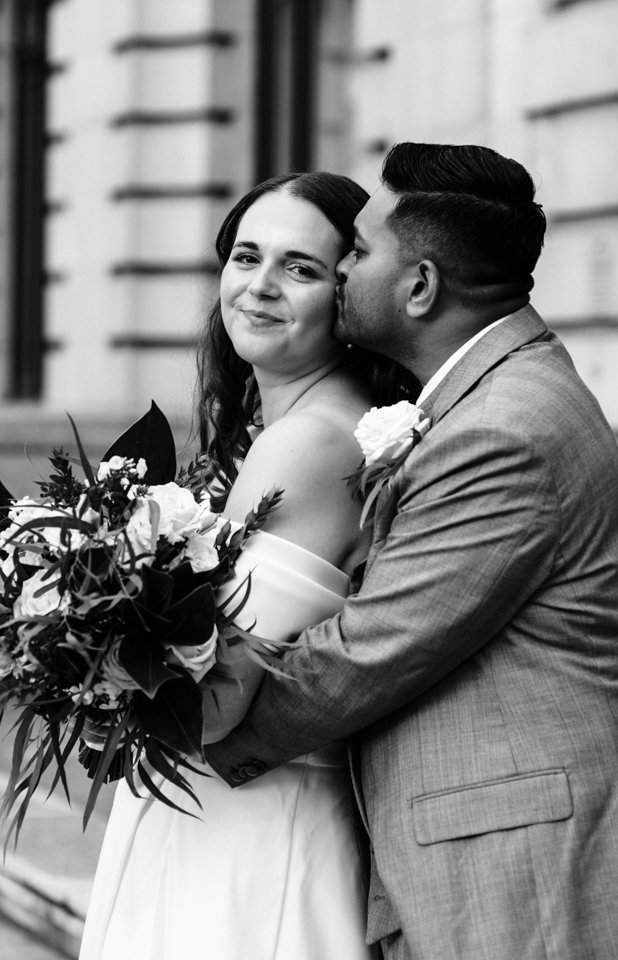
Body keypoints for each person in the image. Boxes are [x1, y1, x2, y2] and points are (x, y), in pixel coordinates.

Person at [204, 143, 618, 960]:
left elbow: (372, 647)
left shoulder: (503, 431)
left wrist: (181, 718)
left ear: (421, 286)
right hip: (480, 849)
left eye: (358, 253)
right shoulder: (493, 396)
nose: (341, 273)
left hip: (522, 864)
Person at [79, 171, 414, 960]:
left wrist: (87, 649)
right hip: (224, 815)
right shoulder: (293, 424)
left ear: (350, 293)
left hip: (254, 837)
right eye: (246, 257)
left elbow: (218, 701)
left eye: (299, 268)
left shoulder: (310, 442)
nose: (259, 286)